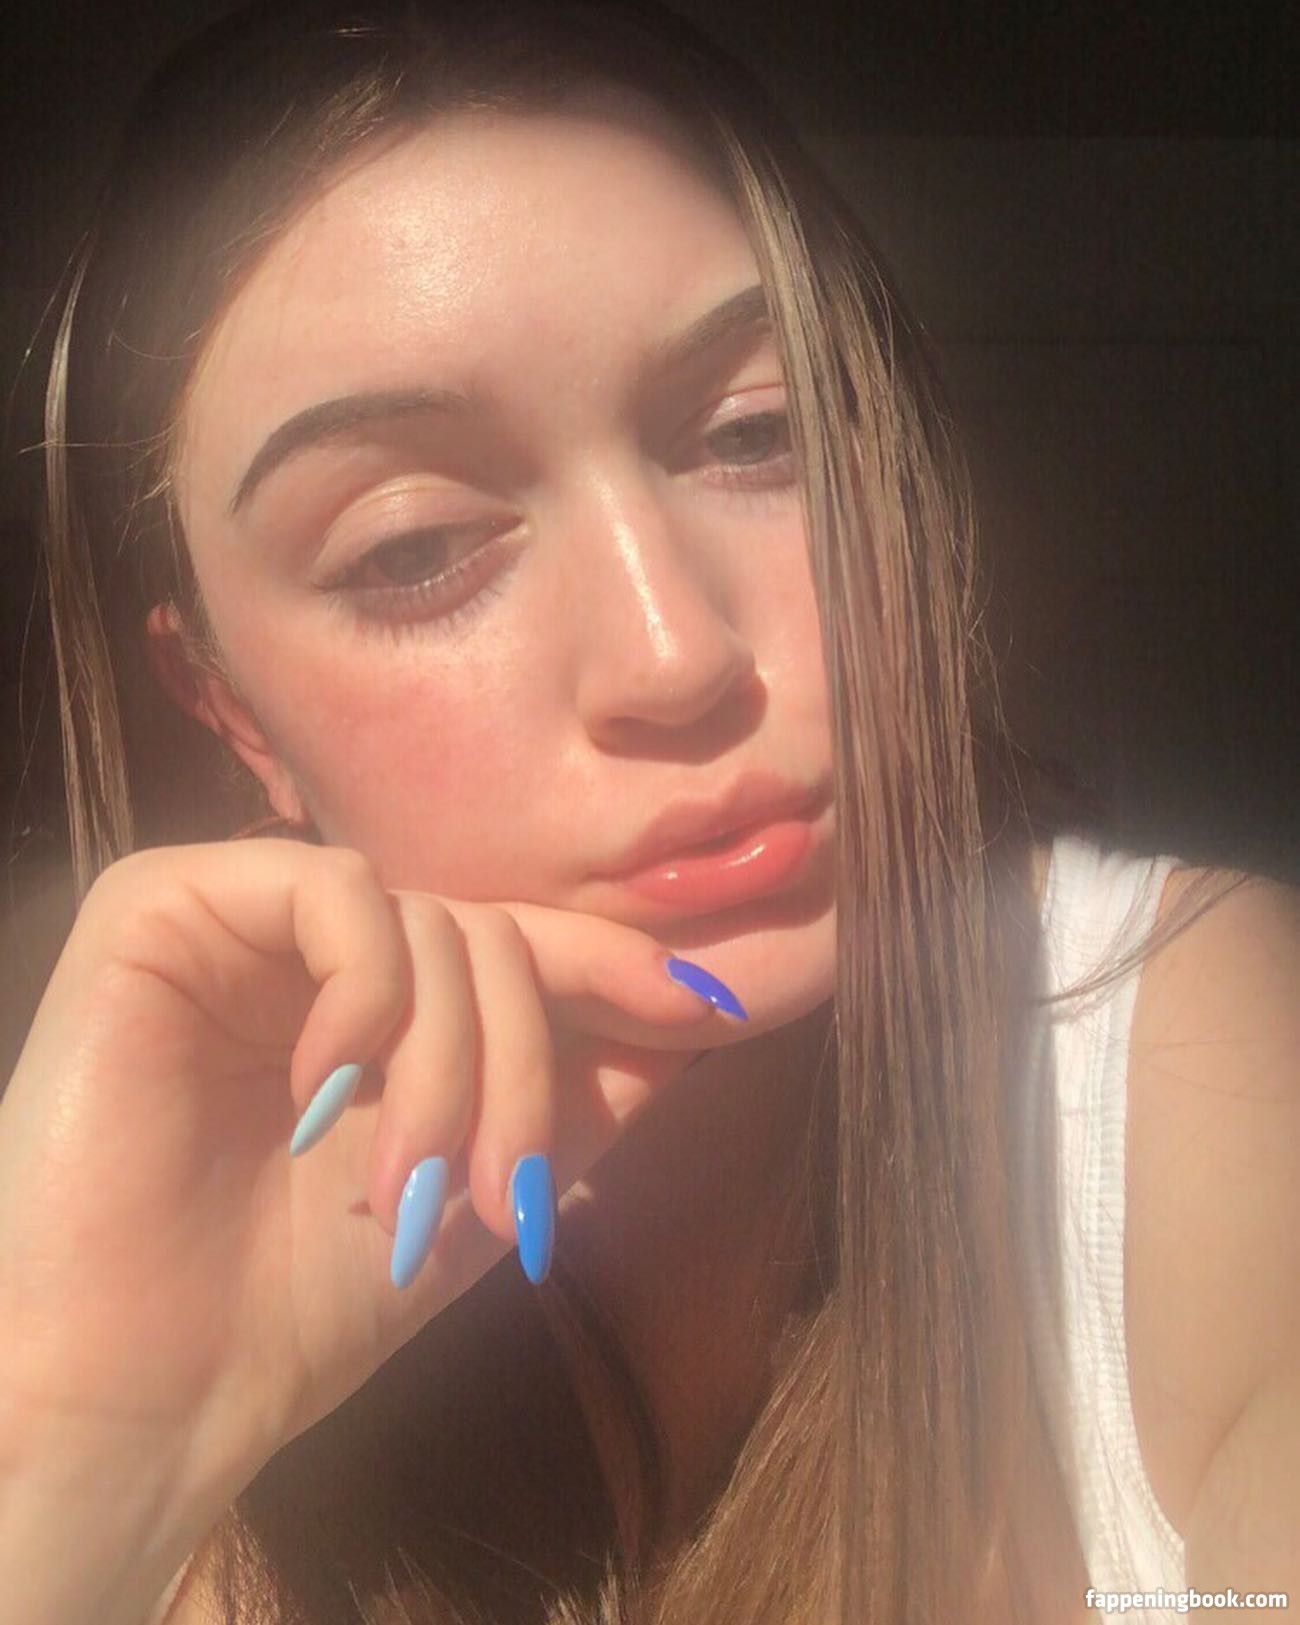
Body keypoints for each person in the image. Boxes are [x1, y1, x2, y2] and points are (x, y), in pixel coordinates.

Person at [2, 1, 1295, 1621]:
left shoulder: (1187, 1056)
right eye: (414, 546)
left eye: (757, 434)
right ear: (232, 714)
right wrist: (62, 1467)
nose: (676, 653)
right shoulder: (177, 1253)